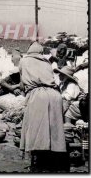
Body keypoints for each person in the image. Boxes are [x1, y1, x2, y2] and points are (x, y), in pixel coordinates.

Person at [19, 42, 66, 172]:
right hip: (55, 95)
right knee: (53, 130)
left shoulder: (24, 61)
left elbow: (22, 84)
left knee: (35, 129)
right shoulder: (47, 63)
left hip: (38, 95)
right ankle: (53, 163)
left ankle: (37, 165)